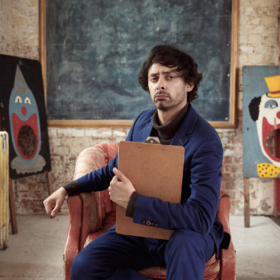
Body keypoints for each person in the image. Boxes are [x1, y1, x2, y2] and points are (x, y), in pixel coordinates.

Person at [44, 45, 230, 280]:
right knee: (84, 266)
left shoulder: (206, 140)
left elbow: (200, 219)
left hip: (185, 234)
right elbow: (112, 169)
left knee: (185, 243)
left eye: (170, 77)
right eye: (154, 78)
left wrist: (134, 203)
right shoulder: (142, 122)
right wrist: (67, 188)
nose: (160, 84)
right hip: (141, 230)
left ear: (189, 84)